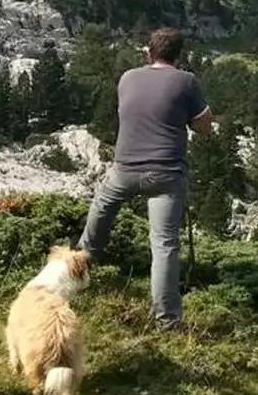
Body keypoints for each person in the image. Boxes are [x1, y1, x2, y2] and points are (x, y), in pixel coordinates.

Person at [77, 27, 213, 331]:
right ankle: (166, 320)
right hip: (166, 174)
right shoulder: (186, 81)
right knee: (164, 244)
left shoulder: (128, 78)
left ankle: (77, 267)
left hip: (124, 169)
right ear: (179, 57)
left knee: (100, 212)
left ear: (148, 52)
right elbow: (204, 126)